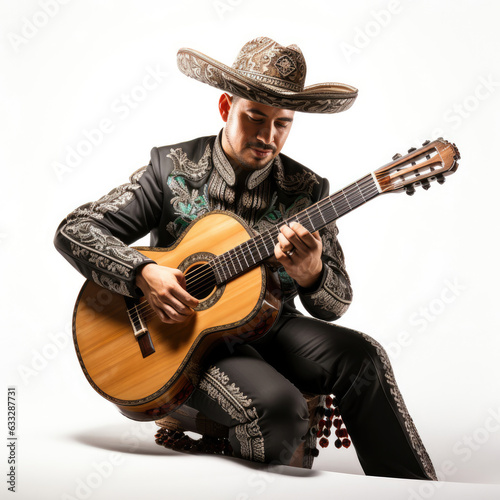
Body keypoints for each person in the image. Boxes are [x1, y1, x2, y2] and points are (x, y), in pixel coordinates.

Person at [54, 36, 436, 480]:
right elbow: (74, 230)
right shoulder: (170, 167)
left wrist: (312, 275)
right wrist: (145, 273)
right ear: (225, 108)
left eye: (282, 124)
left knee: (363, 355)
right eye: (254, 118)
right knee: (280, 410)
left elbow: (336, 303)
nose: (267, 136)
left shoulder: (308, 190)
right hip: (186, 340)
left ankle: (414, 489)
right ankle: (205, 430)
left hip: (272, 326)